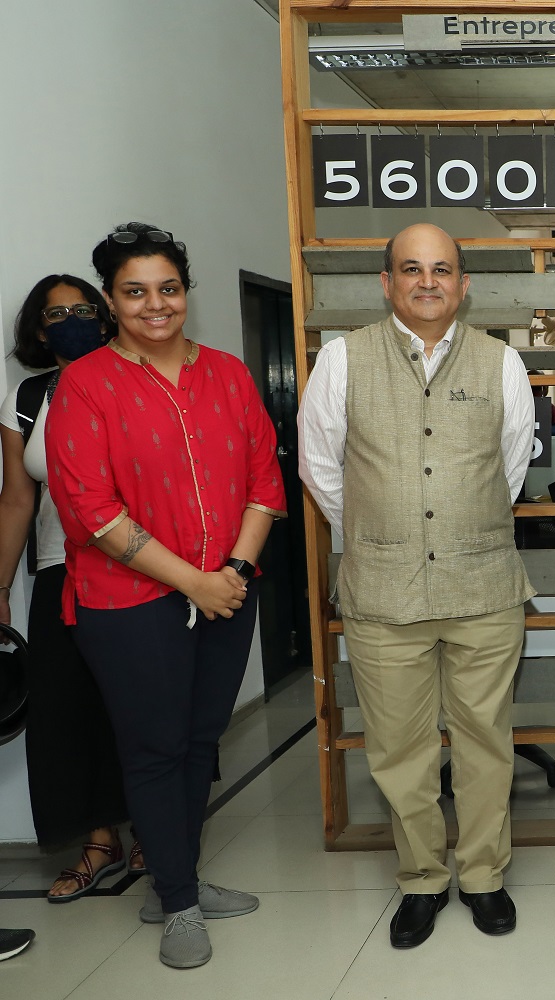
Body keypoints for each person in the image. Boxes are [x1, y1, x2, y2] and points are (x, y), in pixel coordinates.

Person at [47, 223, 286, 969]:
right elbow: (91, 509)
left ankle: (174, 878)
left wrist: (235, 576)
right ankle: (178, 904)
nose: (156, 305)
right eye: (136, 292)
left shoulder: (228, 374)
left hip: (227, 591)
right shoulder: (84, 384)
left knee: (197, 744)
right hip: (127, 603)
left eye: (169, 289)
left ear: (187, 292)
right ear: (112, 302)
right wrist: (196, 582)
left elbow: (263, 482)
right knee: (151, 751)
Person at [299, 223, 535, 950]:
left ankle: (485, 875)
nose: (427, 282)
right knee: (399, 750)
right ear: (386, 282)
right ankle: (423, 879)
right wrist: (384, 532)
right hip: (382, 591)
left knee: (484, 744)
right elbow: (321, 470)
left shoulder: (502, 362)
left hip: (484, 586)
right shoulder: (340, 360)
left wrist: (455, 530)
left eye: (442, 270)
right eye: (411, 269)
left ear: (464, 284)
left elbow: (511, 465)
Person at [1, 275, 144, 901]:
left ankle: (153, 833)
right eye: (58, 314)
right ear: (38, 329)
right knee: (67, 710)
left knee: (137, 707)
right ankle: (98, 840)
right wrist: (0, 586)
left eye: (86, 309)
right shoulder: (26, 399)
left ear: (107, 314)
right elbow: (16, 500)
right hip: (59, 570)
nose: (74, 320)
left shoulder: (134, 377)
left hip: (140, 567)